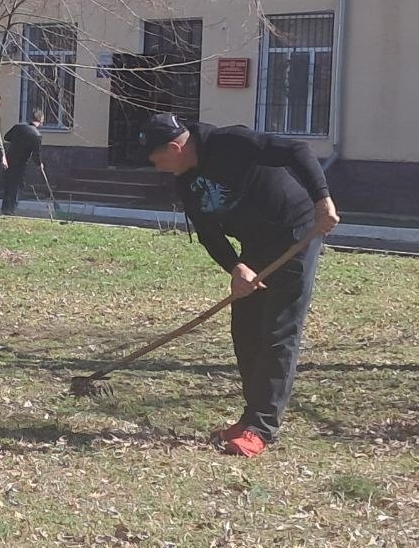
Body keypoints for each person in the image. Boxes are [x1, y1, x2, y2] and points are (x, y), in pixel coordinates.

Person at [138, 112, 340, 457]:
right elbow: (208, 233)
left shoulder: (231, 142)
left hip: (296, 232)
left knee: (279, 331)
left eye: (160, 160)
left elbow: (297, 150)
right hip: (254, 248)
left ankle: (262, 428)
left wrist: (322, 199)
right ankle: (250, 417)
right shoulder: (185, 181)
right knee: (246, 330)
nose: (159, 168)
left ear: (175, 147)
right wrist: (236, 268)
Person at [0, 110, 45, 215]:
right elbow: (35, 154)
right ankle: (11, 209)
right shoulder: (37, 135)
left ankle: (5, 208)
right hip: (21, 163)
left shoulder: (18, 127)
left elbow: (7, 137)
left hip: (9, 159)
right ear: (41, 120)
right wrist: (39, 164)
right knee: (16, 186)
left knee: (8, 185)